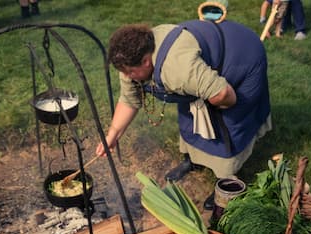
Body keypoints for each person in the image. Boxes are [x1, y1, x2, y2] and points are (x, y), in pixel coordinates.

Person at [95, 20, 272, 210]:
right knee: (190, 117)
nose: (127, 76)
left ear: (146, 61)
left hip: (241, 57)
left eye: (130, 72)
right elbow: (129, 100)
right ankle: (193, 161)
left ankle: (225, 182)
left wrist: (222, 105)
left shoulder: (177, 69)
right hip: (198, 74)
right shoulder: (130, 62)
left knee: (228, 122)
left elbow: (223, 94)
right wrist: (112, 134)